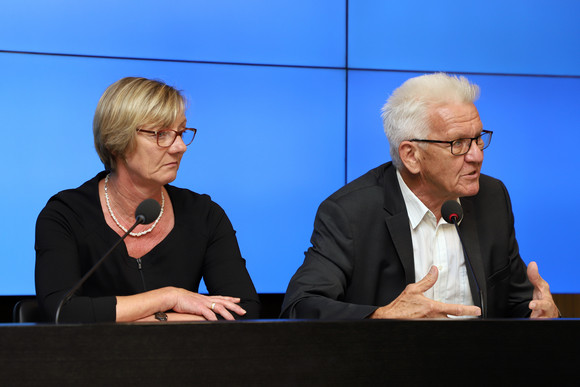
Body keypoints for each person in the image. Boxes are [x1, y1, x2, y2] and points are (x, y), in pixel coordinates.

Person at [280, 73, 559, 319]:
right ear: (411, 155)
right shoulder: (351, 213)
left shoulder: (491, 197)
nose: (477, 155)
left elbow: (518, 304)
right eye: (458, 143)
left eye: (478, 138)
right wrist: (381, 316)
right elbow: (300, 306)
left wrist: (543, 314)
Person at [35, 77, 260, 323]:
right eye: (162, 134)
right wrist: (170, 298)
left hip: (186, 359)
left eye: (182, 133)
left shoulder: (204, 215)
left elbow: (244, 312)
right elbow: (63, 312)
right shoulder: (66, 215)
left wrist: (145, 320)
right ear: (116, 141)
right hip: (92, 359)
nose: (180, 147)